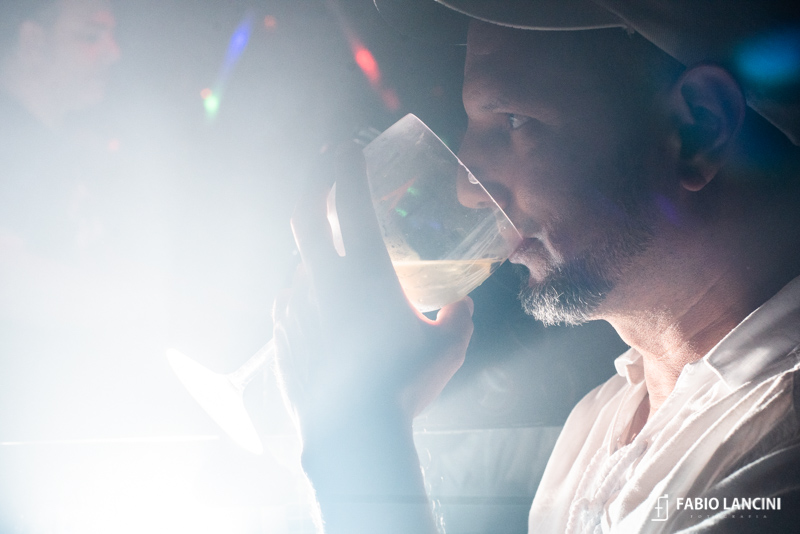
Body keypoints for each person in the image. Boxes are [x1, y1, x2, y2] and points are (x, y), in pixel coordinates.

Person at [272, 0, 800, 533]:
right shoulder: (597, 423)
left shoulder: (782, 457)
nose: (466, 189)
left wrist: (361, 440)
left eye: (514, 120)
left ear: (697, 128)